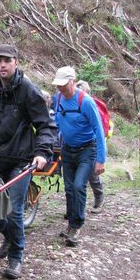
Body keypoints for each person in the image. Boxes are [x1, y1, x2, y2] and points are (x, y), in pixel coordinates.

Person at [0, 44, 55, 279]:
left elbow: (45, 125)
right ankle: (11, 237)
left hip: (22, 158)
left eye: (7, 60)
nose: (2, 64)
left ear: (16, 62)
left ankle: (16, 258)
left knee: (14, 210)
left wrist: (42, 152)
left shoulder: (28, 90)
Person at [52, 67, 106, 247]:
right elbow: (57, 123)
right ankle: (70, 224)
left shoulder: (86, 102)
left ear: (72, 81)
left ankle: (76, 225)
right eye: (58, 85)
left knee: (78, 186)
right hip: (67, 149)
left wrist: (101, 159)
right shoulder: (58, 98)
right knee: (68, 188)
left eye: (63, 84)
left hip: (87, 150)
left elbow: (99, 130)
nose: (60, 88)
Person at [76, 80, 106, 214]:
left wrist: (101, 155)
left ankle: (99, 199)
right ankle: (75, 207)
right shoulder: (74, 102)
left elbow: (98, 128)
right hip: (77, 145)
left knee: (92, 174)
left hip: (92, 144)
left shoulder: (91, 105)